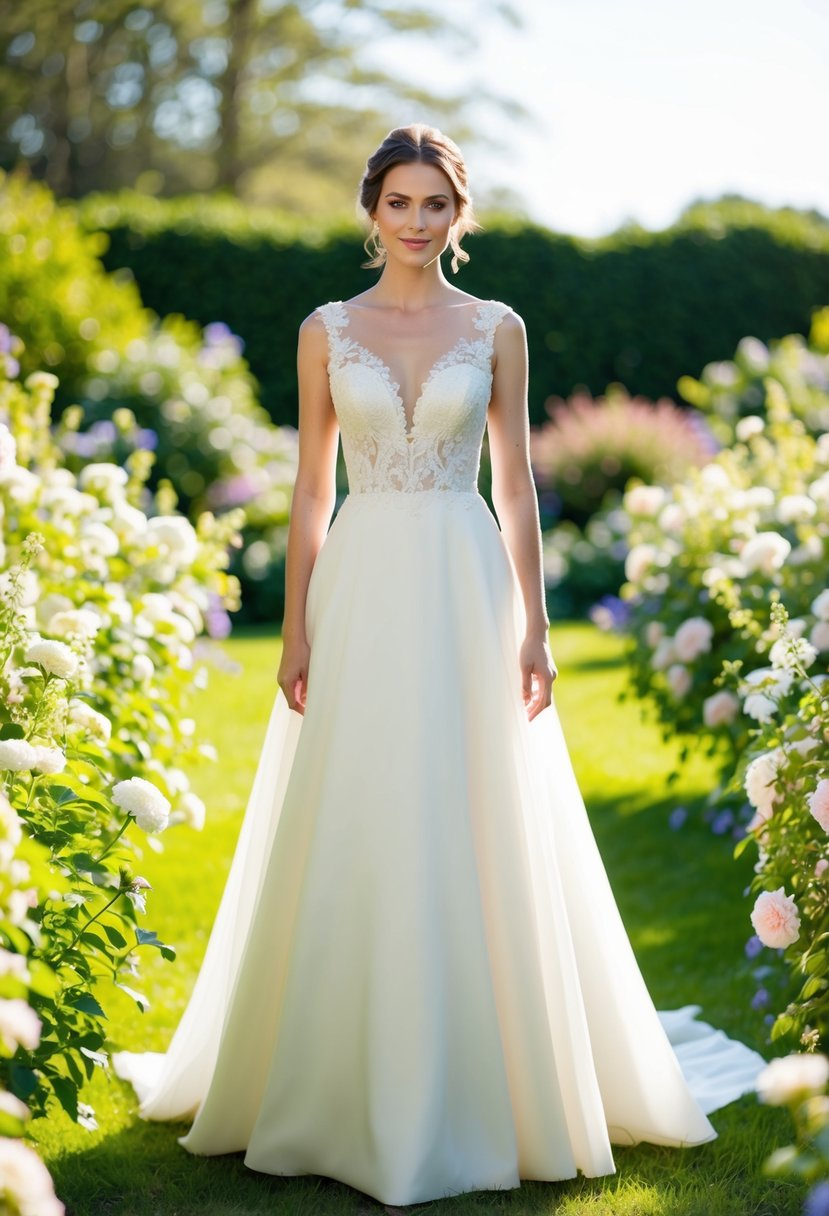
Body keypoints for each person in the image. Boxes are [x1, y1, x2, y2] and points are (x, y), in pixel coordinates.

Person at [114, 122, 764, 1208]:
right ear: (370, 210)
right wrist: (295, 632)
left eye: (435, 204)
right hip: (362, 586)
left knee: (474, 810)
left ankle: (492, 1076)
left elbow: (514, 487)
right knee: (362, 806)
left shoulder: (496, 328)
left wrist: (538, 631)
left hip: (467, 587)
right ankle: (332, 1078)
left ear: (458, 216)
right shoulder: (326, 330)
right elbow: (310, 489)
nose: (416, 222)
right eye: (398, 202)